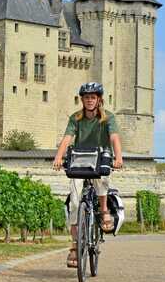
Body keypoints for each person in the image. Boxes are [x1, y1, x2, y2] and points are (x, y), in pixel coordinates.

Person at [53, 82, 123, 268]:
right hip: (80, 159)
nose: (89, 100)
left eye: (93, 97)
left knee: (102, 180)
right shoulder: (75, 118)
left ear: (99, 99)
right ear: (82, 100)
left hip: (100, 157)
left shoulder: (108, 118)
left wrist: (119, 157)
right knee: (75, 202)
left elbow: (114, 137)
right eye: (86, 97)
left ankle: (104, 210)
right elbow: (67, 138)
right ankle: (75, 246)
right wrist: (59, 157)